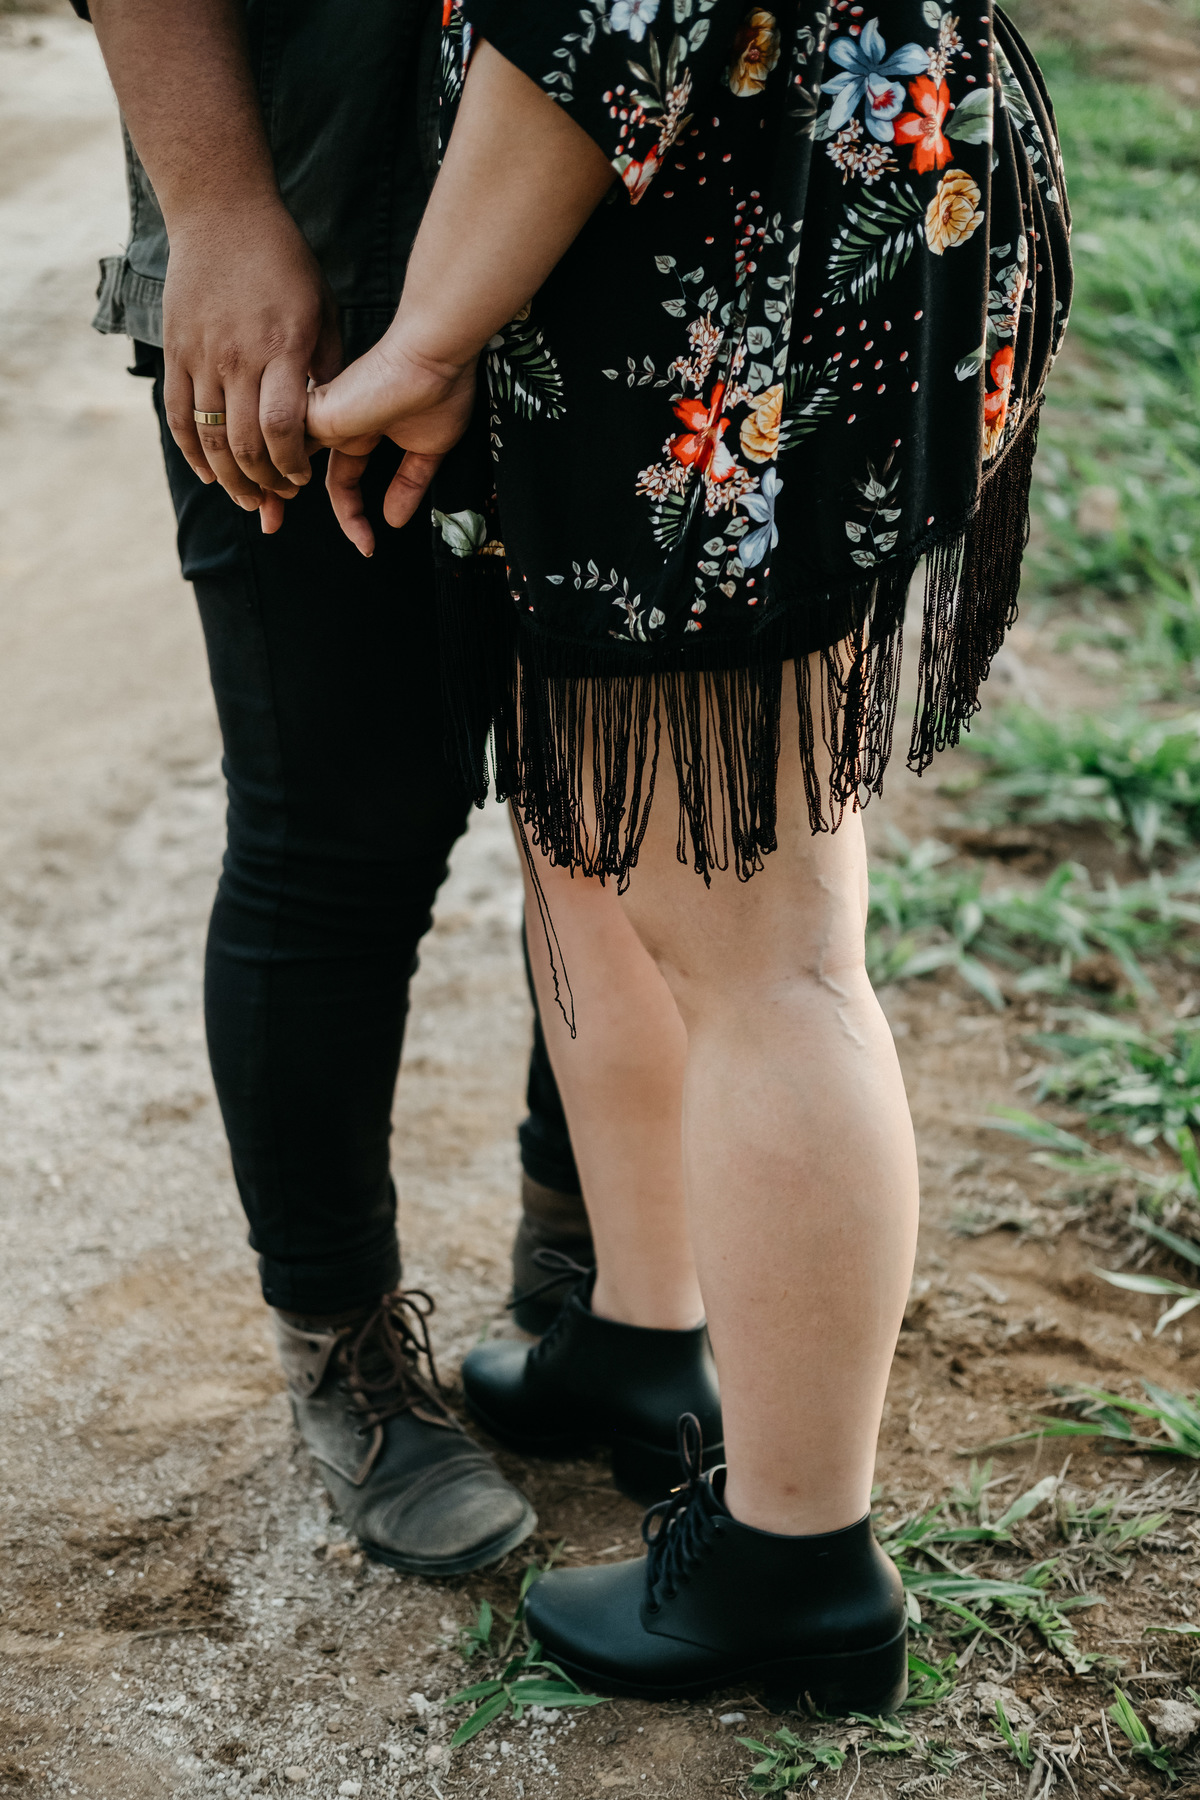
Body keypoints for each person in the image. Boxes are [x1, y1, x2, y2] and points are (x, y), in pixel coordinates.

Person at [305, 0, 1070, 1704]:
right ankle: (645, 1341)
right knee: (602, 837)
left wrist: (433, 329)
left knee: (762, 938)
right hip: (658, 220)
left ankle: (800, 1559)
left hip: (722, 234)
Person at [78, 0, 723, 1579]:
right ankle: (343, 1352)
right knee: (333, 830)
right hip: (317, 225)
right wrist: (221, 209)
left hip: (634, 256)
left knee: (624, 825)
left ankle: (598, 1272)